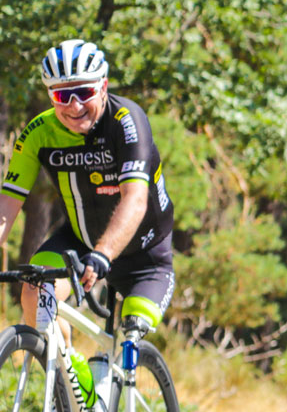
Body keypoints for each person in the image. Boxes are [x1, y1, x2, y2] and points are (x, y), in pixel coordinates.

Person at [0, 40, 176, 364]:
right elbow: (6, 204)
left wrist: (104, 253)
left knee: (131, 332)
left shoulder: (127, 120)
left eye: (83, 92)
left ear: (103, 85)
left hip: (145, 257)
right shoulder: (39, 133)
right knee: (35, 295)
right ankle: (69, 392)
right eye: (61, 95)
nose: (73, 105)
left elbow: (135, 200)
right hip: (80, 242)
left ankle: (127, 397)